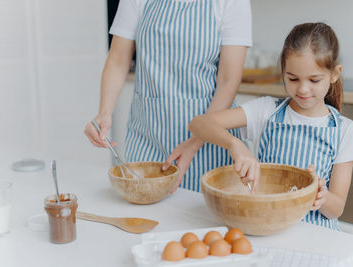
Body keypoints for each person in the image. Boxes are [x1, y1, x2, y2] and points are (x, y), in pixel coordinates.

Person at [189, 22, 353, 230]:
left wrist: (322, 196)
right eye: (293, 78)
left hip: (316, 237)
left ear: (335, 74)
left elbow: (336, 209)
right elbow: (199, 123)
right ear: (283, 71)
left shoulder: (346, 131)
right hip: (267, 228)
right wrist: (235, 144)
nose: (303, 88)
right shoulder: (266, 110)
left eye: (314, 80)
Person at [84, 0, 252, 193]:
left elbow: (228, 81)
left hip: (209, 141)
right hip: (148, 137)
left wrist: (194, 142)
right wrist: (104, 112)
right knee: (148, 216)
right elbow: (118, 60)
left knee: (206, 215)